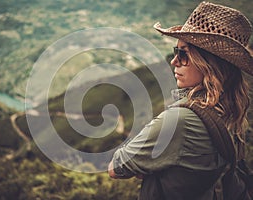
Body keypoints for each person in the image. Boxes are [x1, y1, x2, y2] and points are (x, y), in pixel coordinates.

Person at [108, 1, 253, 199]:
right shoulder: (232, 115)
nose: (174, 61)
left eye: (183, 54)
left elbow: (117, 167)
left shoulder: (180, 121)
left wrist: (151, 165)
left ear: (208, 63)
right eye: (176, 52)